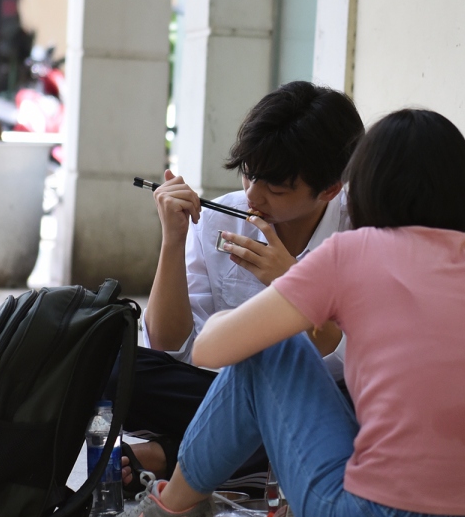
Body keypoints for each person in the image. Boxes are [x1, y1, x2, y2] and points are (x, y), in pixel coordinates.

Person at [87, 109, 465, 517]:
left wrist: (280, 301)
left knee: (270, 347)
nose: (256, 194)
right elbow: (167, 337)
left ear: (352, 188)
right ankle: (306, 515)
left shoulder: (350, 252)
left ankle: (170, 514)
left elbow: (212, 347)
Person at [116, 81, 364, 494]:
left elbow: (356, 359)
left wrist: (293, 286)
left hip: (320, 399)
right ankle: (241, 464)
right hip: (219, 396)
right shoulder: (220, 219)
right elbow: (171, 345)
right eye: (249, 174)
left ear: (330, 189)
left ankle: (167, 458)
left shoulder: (361, 232)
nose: (253, 195)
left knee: (353, 419)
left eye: (276, 188)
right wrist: (173, 241)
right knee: (113, 367)